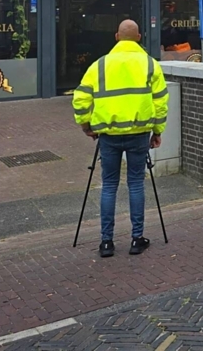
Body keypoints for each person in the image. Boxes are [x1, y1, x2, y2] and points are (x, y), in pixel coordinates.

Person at [72, 20, 168, 258]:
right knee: (135, 184)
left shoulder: (100, 65)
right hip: (138, 134)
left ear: (116, 37)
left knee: (109, 186)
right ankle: (137, 239)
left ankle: (107, 242)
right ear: (139, 37)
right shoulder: (150, 64)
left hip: (108, 136)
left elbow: (81, 100)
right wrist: (157, 131)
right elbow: (160, 102)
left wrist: (87, 127)